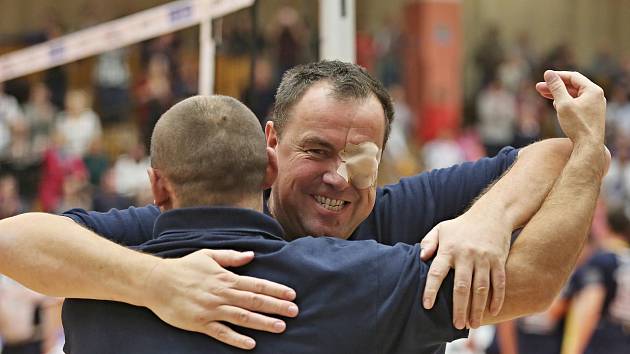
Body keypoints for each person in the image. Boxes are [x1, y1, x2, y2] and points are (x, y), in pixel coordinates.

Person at [0, 62, 593, 349]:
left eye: (361, 157)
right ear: (271, 147)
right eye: (317, 150)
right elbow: (17, 240)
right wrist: (160, 284)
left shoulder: (398, 210)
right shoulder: (180, 235)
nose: (338, 176)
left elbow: (556, 153)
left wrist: (486, 217)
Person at [563, 208, 630, 354]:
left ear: (605, 225)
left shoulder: (602, 260)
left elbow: (591, 305)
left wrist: (574, 350)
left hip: (607, 340)